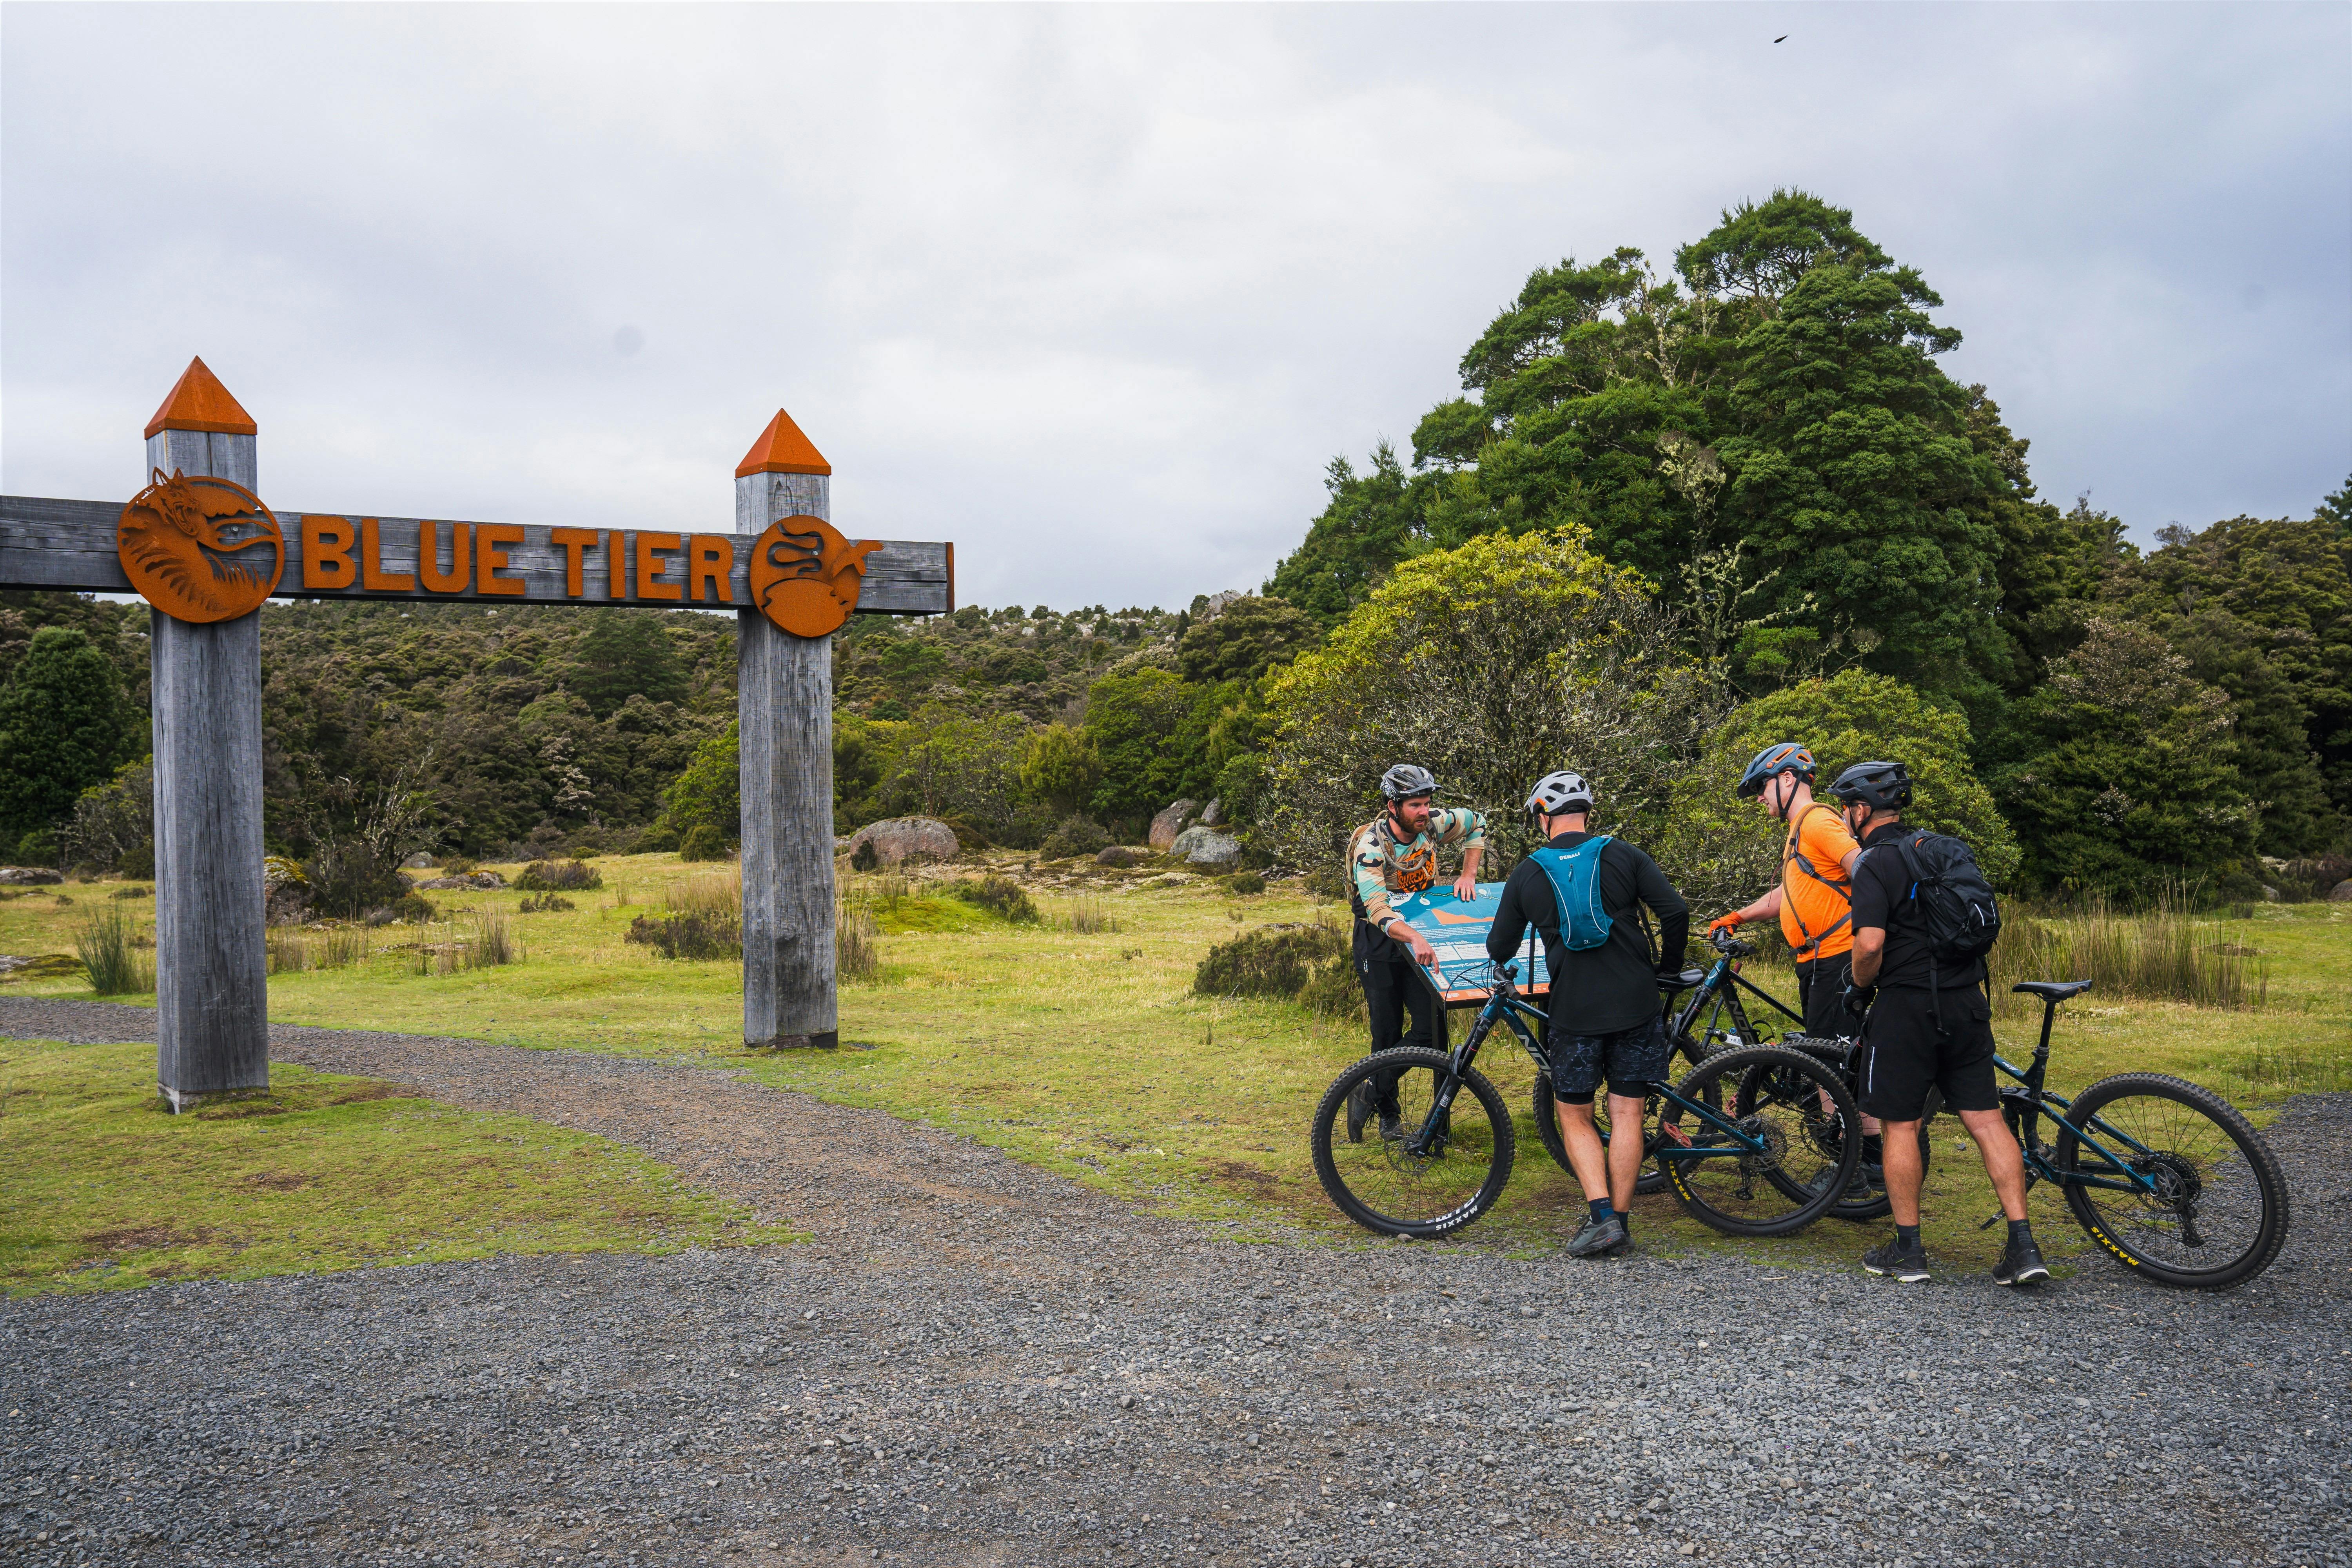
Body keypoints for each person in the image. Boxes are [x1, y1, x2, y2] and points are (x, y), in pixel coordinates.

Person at [1834, 759, 2049, 1287]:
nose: (1843, 817)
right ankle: (2024, 1247)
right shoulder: (1945, 849)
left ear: (1862, 811)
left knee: (1901, 1125)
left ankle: (1909, 1252)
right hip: (1967, 1003)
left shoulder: (1874, 863)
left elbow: (1869, 945)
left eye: (1845, 808)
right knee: (1986, 1120)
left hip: (1906, 1010)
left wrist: (1859, 986)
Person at [1485, 771, 1688, 1258]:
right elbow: (1676, 912)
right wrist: (1667, 972)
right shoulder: (1624, 854)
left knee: (1574, 1115)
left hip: (1574, 1010)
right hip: (1637, 1002)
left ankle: (1601, 1217)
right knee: (1627, 1112)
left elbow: (1499, 945)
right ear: (1588, 813)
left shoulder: (1528, 872)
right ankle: (1618, 1220)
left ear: (1542, 817)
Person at [1344, 763, 1487, 1139]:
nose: (1424, 812)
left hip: (1422, 934)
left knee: (1432, 1029)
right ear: (1393, 807)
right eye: (1415, 806)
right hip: (1380, 941)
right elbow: (1376, 909)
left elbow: (1477, 823)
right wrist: (1414, 938)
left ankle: (1370, 1092)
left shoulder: (1433, 824)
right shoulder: (1371, 847)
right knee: (1386, 1032)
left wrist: (1469, 873)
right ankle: (1389, 1117)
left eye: (1426, 803)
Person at [1710, 742, 1863, 1042]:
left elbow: (1866, 871)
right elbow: (1788, 893)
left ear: (1788, 778)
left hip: (1837, 958)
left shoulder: (1818, 820)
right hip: (1816, 961)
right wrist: (1735, 918)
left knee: (1829, 1068)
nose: (1759, 798)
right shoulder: (1800, 828)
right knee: (1822, 1058)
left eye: (1761, 787)